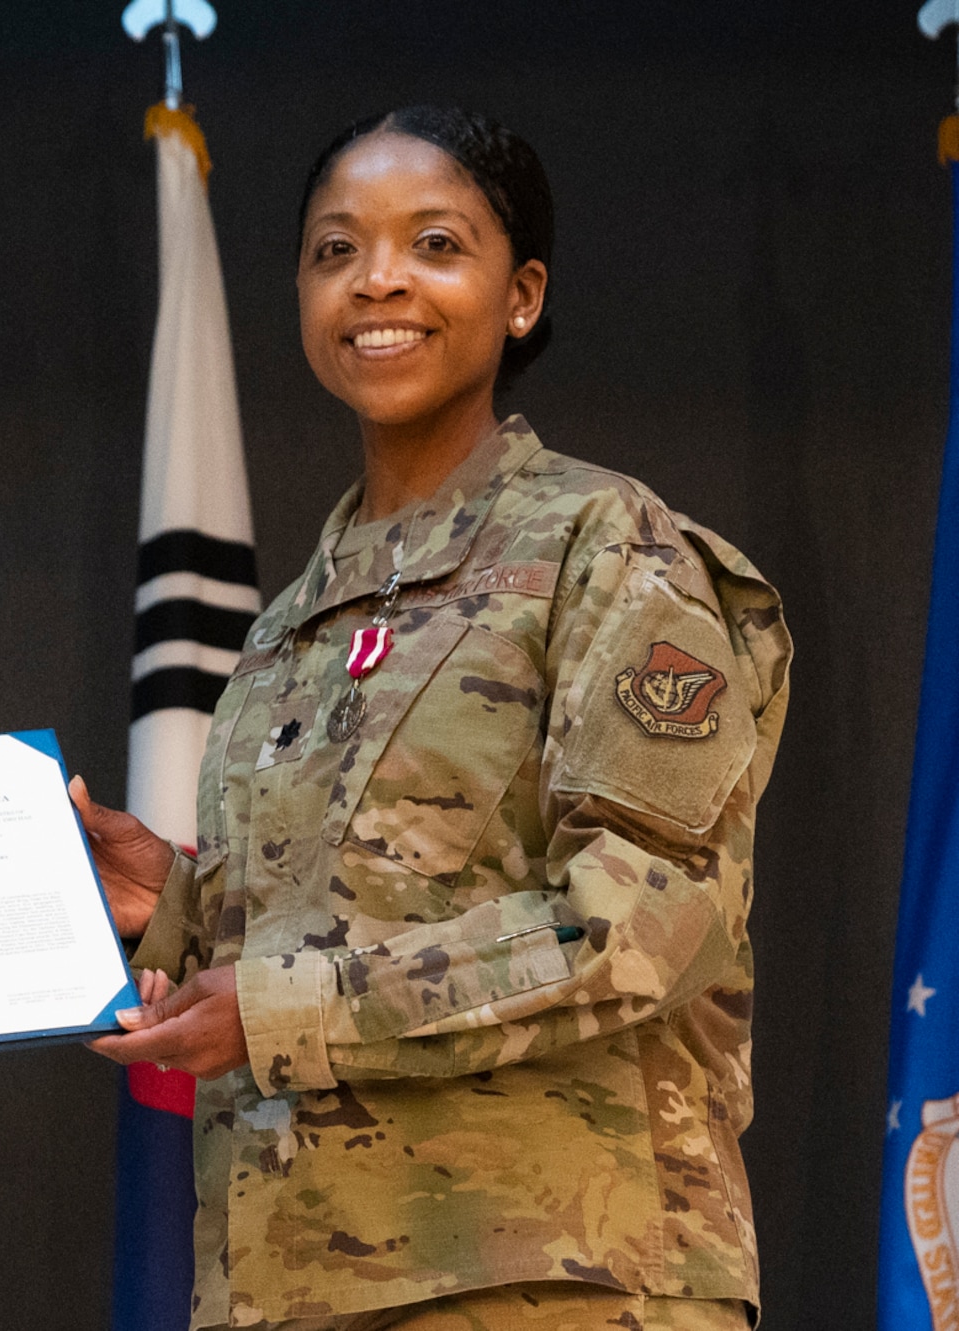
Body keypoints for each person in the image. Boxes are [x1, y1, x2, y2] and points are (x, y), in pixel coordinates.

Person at [76, 107, 791, 1330]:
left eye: (433, 243)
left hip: (555, 1280)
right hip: (289, 1282)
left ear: (519, 296)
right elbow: (357, 911)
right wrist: (173, 907)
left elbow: (632, 926)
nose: (378, 280)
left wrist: (284, 1007)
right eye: (334, 250)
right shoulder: (290, 619)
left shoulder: (608, 551)